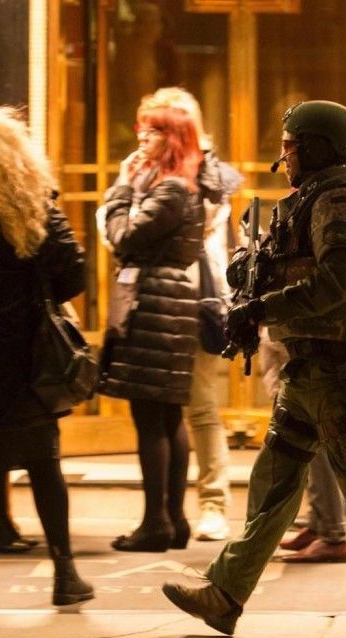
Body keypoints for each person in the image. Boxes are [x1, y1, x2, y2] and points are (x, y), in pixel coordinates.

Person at [162, 100, 346, 638]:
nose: (285, 156)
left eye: (292, 146)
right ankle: (225, 594)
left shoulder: (340, 201)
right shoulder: (315, 199)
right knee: (274, 482)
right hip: (309, 372)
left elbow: (336, 282)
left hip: (342, 372)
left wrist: (261, 308)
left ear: (319, 148)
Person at [0, 106, 94, 613]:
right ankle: (65, 574)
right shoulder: (35, 209)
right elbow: (74, 277)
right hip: (28, 360)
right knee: (43, 464)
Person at [99, 90, 217, 551]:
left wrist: (121, 189)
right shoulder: (182, 184)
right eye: (141, 128)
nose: (141, 137)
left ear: (171, 138)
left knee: (152, 417)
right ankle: (173, 520)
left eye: (151, 130)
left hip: (154, 302)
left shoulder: (170, 189)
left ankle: (156, 523)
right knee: (167, 415)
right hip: (167, 300)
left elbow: (124, 235)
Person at [138, 87, 240, 542]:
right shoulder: (144, 168)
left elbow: (202, 231)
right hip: (153, 300)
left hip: (199, 298)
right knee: (159, 412)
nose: (149, 134)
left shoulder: (208, 174)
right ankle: (166, 512)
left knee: (200, 406)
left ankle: (213, 504)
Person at [259, 329, 346, 563]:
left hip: (306, 356)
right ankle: (320, 526)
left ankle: (333, 535)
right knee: (311, 452)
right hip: (298, 357)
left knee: (317, 451)